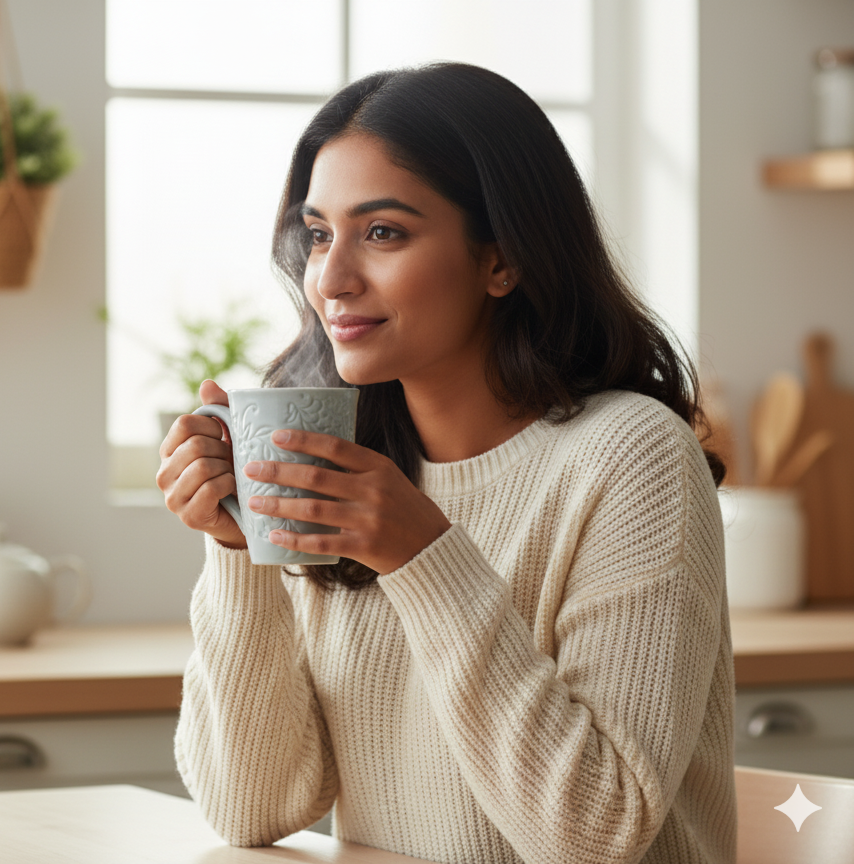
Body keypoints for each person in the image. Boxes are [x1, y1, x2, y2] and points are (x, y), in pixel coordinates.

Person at [156, 63, 736, 864]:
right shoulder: (345, 460)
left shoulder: (631, 457)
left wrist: (420, 553)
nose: (330, 278)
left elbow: (597, 836)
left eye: (384, 232)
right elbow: (251, 809)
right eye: (319, 233)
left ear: (503, 259)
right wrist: (240, 548)